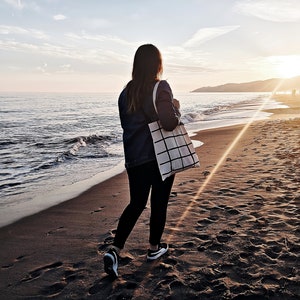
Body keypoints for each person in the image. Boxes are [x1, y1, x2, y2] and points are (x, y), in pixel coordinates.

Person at [103, 44, 181, 277]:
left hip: (135, 158)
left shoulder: (125, 93)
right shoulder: (161, 87)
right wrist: (176, 108)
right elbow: (169, 123)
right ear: (157, 64)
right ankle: (154, 249)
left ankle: (115, 250)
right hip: (160, 156)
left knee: (136, 203)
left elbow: (127, 126)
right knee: (159, 203)